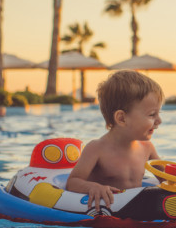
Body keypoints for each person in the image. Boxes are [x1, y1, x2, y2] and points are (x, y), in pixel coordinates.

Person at [66, 70, 165, 213]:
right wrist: (94, 187)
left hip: (136, 212)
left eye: (159, 114)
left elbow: (166, 178)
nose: (159, 121)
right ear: (122, 118)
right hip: (108, 215)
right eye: (151, 115)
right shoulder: (96, 149)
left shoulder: (147, 148)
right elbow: (72, 182)